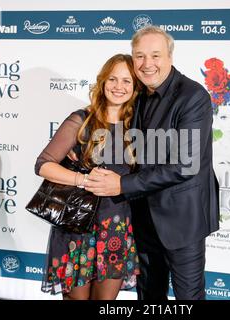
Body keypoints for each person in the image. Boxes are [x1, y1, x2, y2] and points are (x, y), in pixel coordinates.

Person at [84, 26, 220, 300]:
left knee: (189, 296)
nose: (147, 64)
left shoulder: (192, 97)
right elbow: (119, 140)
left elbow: (184, 164)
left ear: (170, 56)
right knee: (149, 294)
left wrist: (121, 184)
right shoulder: (137, 94)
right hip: (142, 216)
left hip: (182, 218)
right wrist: (81, 151)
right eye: (140, 56)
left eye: (155, 55)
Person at [34, 54, 141, 300]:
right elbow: (43, 165)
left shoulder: (139, 126)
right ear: (103, 82)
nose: (118, 86)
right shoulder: (83, 120)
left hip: (117, 229)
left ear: (135, 87)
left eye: (127, 81)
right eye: (113, 79)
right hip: (77, 226)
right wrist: (83, 179)